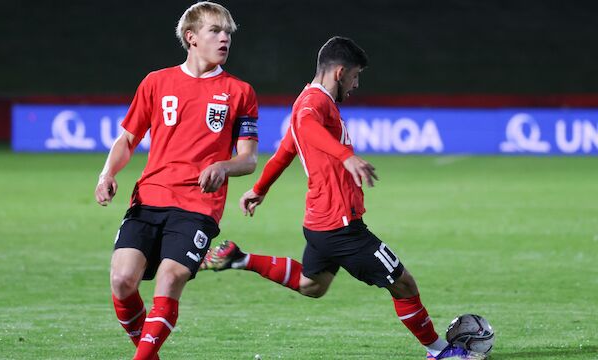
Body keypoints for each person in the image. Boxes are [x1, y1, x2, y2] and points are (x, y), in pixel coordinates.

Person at [201, 36, 483, 360]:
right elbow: (306, 128)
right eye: (355, 75)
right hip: (341, 226)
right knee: (403, 284)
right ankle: (439, 352)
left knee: (312, 286)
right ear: (339, 73)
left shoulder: (308, 101)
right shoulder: (313, 104)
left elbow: (284, 152)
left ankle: (240, 258)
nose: (356, 83)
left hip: (320, 222)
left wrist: (259, 189)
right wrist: (346, 156)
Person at [94, 2, 259, 359]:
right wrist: (107, 174)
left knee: (170, 278)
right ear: (191, 38)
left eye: (228, 32)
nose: (225, 38)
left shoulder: (240, 92)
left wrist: (224, 167)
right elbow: (127, 139)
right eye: (215, 30)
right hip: (149, 198)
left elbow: (248, 158)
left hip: (198, 206)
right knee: (122, 280)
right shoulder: (157, 82)